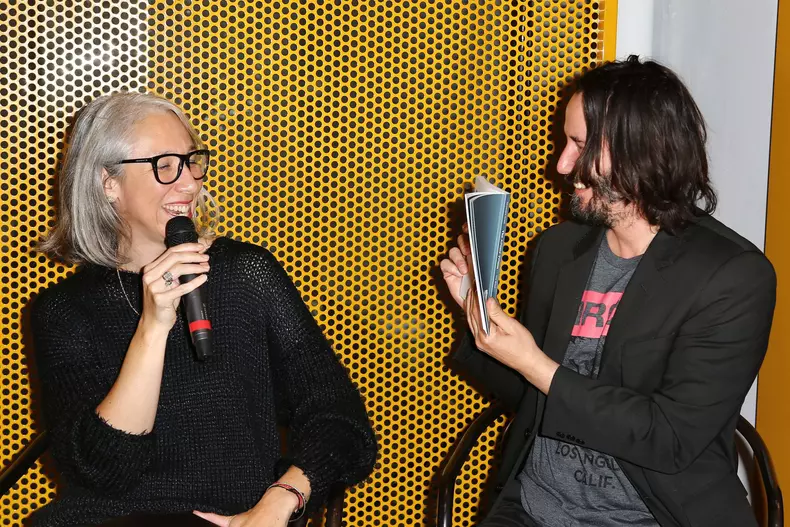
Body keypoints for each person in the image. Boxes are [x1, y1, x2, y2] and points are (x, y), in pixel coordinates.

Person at [440, 55, 776, 527]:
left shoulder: (732, 276)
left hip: (655, 516)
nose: (562, 164)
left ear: (642, 149)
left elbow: (669, 439)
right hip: (533, 507)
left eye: (580, 144)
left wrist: (535, 363)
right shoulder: (559, 249)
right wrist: (479, 317)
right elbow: (532, 398)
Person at [31, 92, 377, 527]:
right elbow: (105, 472)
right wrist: (153, 328)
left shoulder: (245, 275)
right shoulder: (64, 311)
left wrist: (282, 499)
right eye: (164, 165)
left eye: (191, 161)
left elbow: (341, 420)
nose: (189, 184)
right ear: (108, 183)